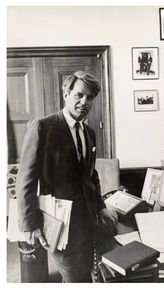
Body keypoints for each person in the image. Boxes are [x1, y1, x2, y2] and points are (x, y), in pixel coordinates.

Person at [16, 71, 118, 282]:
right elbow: (25, 180)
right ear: (66, 94)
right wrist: (30, 224)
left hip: (86, 224)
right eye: (79, 95)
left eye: (90, 98)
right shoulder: (43, 127)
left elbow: (91, 176)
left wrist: (101, 206)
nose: (84, 102)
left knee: (81, 274)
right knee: (77, 277)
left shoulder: (89, 132)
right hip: (58, 224)